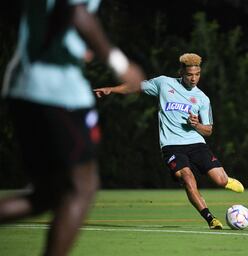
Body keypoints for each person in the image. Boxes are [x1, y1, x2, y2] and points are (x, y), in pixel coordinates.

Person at [0, 1, 144, 255]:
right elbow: (76, 11)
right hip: (57, 91)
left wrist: (75, 44)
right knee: (81, 187)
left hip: (22, 86)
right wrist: (120, 64)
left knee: (46, 195)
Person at [94, 53, 244, 229]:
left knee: (219, 181)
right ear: (181, 72)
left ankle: (226, 180)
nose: (194, 78)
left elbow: (208, 130)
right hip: (172, 146)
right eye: (189, 75)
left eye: (197, 74)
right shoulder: (164, 83)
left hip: (196, 143)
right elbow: (136, 87)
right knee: (187, 178)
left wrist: (196, 125)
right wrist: (111, 89)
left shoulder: (202, 98)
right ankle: (211, 219)